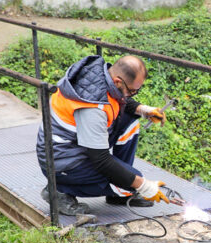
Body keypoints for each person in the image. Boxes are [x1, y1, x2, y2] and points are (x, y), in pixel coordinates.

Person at [35, 54, 172, 216]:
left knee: (131, 121)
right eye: (132, 91)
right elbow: (101, 160)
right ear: (117, 81)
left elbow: (119, 98)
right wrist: (142, 185)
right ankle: (58, 191)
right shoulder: (92, 109)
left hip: (76, 145)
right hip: (62, 161)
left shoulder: (100, 75)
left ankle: (119, 194)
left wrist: (143, 110)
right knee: (133, 181)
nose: (133, 94)